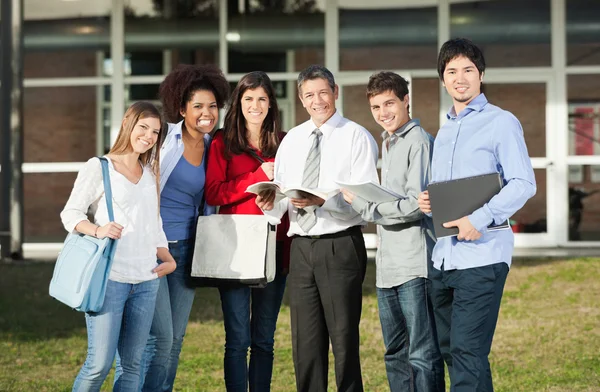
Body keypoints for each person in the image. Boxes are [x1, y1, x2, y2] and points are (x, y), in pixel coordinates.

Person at [418, 38, 536, 391]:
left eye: (468, 69)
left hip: (482, 256)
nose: (460, 78)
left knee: (468, 353)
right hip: (444, 260)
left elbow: (523, 183)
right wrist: (430, 202)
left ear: (481, 75)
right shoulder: (446, 129)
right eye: (451, 71)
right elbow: (449, 191)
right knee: (455, 353)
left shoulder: (501, 122)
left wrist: (478, 219)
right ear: (443, 80)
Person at [256, 65, 379, 392]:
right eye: (309, 95)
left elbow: (366, 200)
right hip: (301, 249)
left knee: (343, 341)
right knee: (305, 344)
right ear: (301, 98)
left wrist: (323, 201)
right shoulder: (292, 140)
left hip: (340, 245)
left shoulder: (357, 137)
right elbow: (282, 194)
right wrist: (271, 204)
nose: (318, 100)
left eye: (323, 92)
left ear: (335, 92)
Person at [61, 101, 176, 391]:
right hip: (110, 278)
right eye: (144, 128)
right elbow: (70, 214)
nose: (149, 136)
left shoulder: (150, 172)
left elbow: (154, 222)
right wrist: (98, 230)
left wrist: (167, 257)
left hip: (147, 280)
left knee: (132, 365)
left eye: (155, 132)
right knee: (98, 364)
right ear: (127, 123)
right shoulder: (100, 167)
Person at [340, 71, 444, 392]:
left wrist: (365, 206)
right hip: (387, 270)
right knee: (394, 354)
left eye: (389, 103)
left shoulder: (419, 142)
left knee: (423, 356)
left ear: (406, 100)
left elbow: (416, 205)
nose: (383, 113)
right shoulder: (389, 142)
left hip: (415, 266)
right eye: (375, 107)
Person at [139, 64, 230, 392]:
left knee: (175, 340)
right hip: (154, 250)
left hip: (189, 250)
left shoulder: (213, 147)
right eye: (198, 107)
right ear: (181, 109)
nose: (207, 113)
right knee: (158, 340)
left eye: (212, 106)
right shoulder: (163, 140)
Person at [204, 71, 290, 392]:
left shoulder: (285, 141)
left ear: (271, 104)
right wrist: (254, 178)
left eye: (262, 99)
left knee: (264, 340)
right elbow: (214, 192)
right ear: (239, 103)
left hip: (275, 246)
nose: (255, 105)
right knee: (238, 340)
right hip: (236, 249)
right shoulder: (221, 142)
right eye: (249, 99)